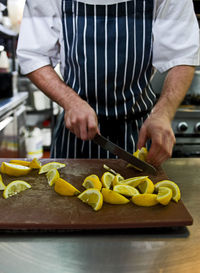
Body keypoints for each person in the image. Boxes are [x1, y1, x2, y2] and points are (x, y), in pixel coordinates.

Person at [17, 0, 200, 166]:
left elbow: (182, 57)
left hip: (138, 134)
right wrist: (70, 102)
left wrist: (163, 113)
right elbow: (34, 56)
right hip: (75, 133)